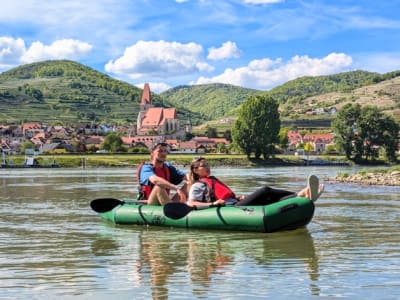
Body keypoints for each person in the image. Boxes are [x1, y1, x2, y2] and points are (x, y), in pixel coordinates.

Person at [187, 157, 324, 208]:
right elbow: (191, 203)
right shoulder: (198, 185)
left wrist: (237, 197)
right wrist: (213, 203)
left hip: (235, 203)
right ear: (196, 170)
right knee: (265, 190)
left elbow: (225, 196)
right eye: (204, 165)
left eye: (208, 164)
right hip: (231, 209)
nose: (208, 167)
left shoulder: (212, 179)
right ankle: (300, 193)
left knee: (269, 199)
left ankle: (302, 196)